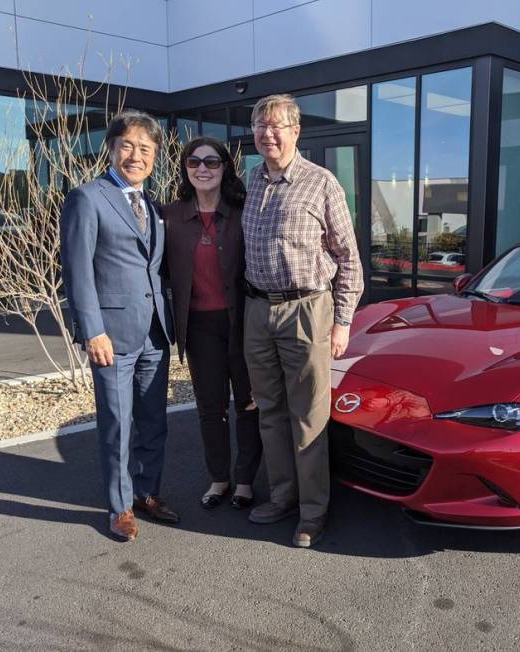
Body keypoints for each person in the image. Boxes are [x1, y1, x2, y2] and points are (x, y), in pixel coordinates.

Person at [241, 94, 363, 548]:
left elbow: (348, 258)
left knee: (309, 415)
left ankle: (313, 512)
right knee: (269, 411)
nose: (267, 134)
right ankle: (281, 497)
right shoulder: (251, 180)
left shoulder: (321, 183)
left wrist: (343, 321)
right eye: (259, 126)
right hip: (258, 309)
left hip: (308, 310)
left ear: (296, 132)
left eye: (276, 126)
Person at [60, 110, 178, 541]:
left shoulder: (152, 204)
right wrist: (91, 330)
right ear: (111, 149)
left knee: (154, 421)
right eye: (127, 145)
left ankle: (148, 492)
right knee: (117, 424)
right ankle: (120, 507)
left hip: (154, 333)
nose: (136, 155)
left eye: (145, 149)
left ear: (154, 157)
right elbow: (77, 270)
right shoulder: (87, 198)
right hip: (110, 335)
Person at [162, 137, 262, 509]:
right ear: (185, 169)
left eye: (212, 161)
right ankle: (219, 480)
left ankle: (246, 481)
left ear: (225, 168)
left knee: (248, 405)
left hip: (243, 323)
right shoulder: (170, 216)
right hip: (200, 327)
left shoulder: (244, 210)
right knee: (210, 407)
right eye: (194, 162)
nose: (202, 168)